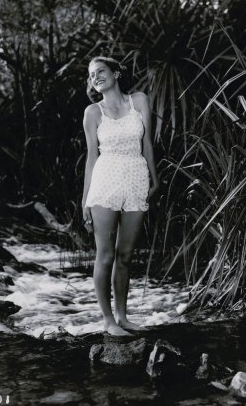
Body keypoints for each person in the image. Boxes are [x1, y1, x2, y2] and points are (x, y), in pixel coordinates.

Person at [81, 56, 159, 336]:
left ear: (116, 73)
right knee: (105, 255)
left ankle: (122, 317)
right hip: (105, 180)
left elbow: (147, 143)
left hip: (136, 178)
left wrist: (154, 177)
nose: (96, 77)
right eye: (91, 75)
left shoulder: (139, 101)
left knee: (125, 255)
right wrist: (85, 199)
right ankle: (107, 321)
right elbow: (92, 157)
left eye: (101, 71)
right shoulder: (93, 112)